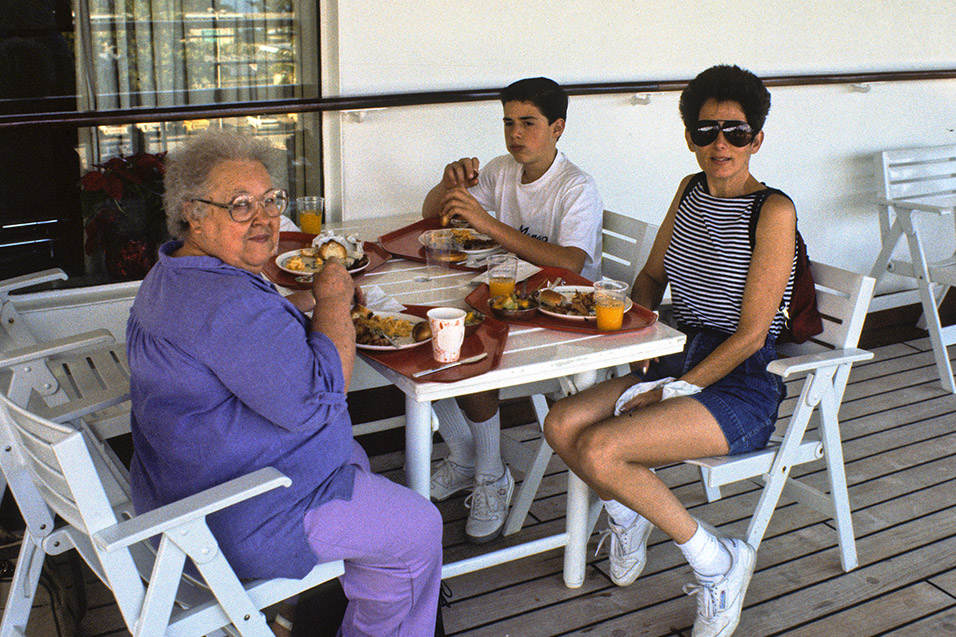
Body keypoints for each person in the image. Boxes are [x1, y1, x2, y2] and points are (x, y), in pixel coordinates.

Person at [127, 128, 443, 636]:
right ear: (194, 213)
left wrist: (303, 306)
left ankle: (301, 610)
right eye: (240, 205)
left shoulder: (175, 275)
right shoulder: (223, 304)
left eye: (271, 200)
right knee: (418, 528)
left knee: (359, 465)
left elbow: (240, 339)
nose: (265, 217)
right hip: (242, 511)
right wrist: (336, 298)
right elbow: (323, 396)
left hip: (187, 481)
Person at [543, 65, 797, 637]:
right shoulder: (689, 190)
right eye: (706, 131)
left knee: (602, 449)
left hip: (740, 378)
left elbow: (753, 334)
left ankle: (720, 561)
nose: (720, 144)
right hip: (676, 351)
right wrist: (629, 328)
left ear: (757, 138)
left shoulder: (773, 211)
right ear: (690, 138)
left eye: (735, 131)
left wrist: (676, 388)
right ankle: (629, 512)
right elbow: (653, 277)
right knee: (562, 423)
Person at [421, 77, 604, 543]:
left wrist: (488, 224)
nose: (516, 133)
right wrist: (447, 186)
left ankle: (490, 475)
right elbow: (431, 215)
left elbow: (572, 262)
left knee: (468, 349)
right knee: (435, 330)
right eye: (508, 122)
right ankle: (467, 456)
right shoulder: (503, 170)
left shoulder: (576, 186)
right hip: (510, 302)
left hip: (566, 319)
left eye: (529, 123)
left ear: (557, 127)